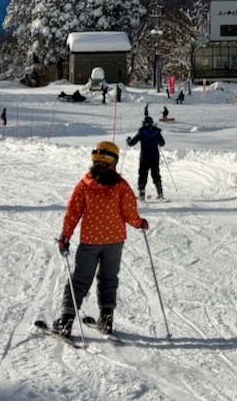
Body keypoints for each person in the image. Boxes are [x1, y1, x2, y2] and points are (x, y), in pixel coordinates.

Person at [52, 141, 147, 337]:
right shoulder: (121, 186)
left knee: (80, 280)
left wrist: (65, 237)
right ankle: (106, 318)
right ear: (114, 161)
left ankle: (66, 320)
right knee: (108, 278)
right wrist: (139, 223)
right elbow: (129, 213)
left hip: (91, 242)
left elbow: (73, 213)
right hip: (115, 242)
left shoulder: (84, 185)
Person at [126, 116, 166, 201]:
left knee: (142, 175)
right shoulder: (156, 132)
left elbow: (131, 143)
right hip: (154, 157)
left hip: (144, 157)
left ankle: (141, 194)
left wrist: (128, 140)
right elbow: (162, 143)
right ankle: (160, 193)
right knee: (156, 174)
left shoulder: (141, 132)